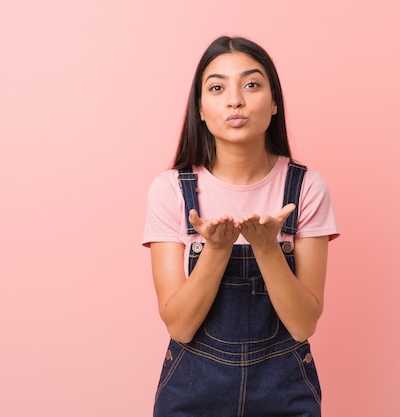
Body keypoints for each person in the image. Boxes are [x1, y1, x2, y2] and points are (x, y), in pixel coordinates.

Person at [142, 35, 340, 417]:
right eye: (217, 88)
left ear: (275, 102)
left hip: (284, 392)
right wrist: (216, 250)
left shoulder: (305, 188)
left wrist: (267, 248)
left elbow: (303, 324)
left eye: (251, 84)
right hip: (191, 393)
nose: (235, 100)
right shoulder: (172, 191)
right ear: (199, 109)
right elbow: (179, 326)